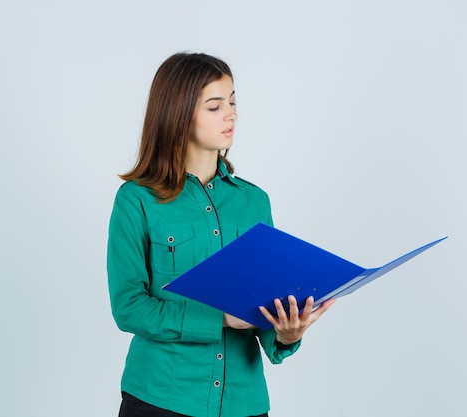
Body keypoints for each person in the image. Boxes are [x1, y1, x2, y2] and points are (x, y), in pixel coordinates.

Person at [107, 52, 335, 417]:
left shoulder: (254, 202)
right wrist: (220, 320)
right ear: (178, 114)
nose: (231, 114)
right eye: (215, 106)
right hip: (161, 399)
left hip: (242, 403)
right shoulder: (137, 200)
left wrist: (287, 335)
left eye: (232, 102)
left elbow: (264, 302)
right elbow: (129, 307)